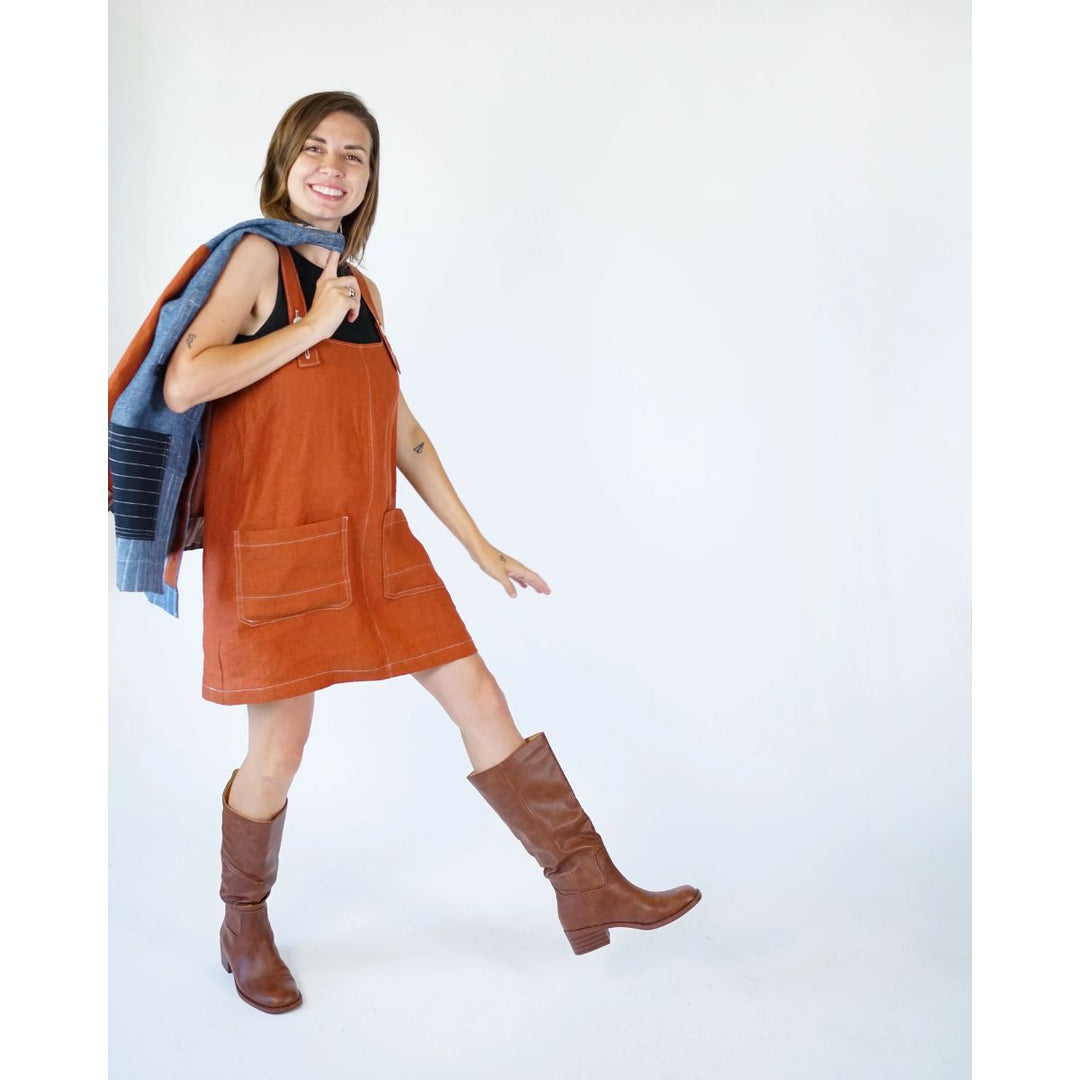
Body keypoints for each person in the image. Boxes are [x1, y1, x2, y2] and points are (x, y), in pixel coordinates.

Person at [147, 90, 701, 1014]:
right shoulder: (254, 259)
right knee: (279, 754)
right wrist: (307, 330)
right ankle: (243, 922)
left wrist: (481, 547)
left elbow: (400, 435)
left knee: (481, 697)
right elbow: (184, 380)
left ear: (370, 178)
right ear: (286, 163)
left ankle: (587, 881)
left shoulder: (359, 288)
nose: (334, 166)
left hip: (371, 539)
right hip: (279, 548)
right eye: (316, 148)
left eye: (355, 155)